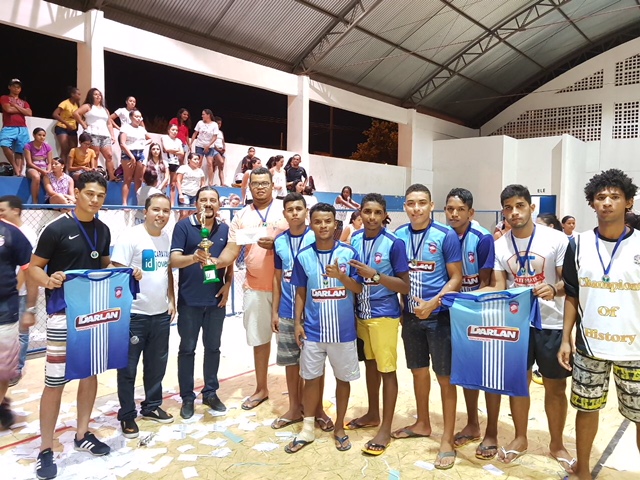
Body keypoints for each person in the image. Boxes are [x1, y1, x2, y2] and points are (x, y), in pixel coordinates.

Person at [28, 172, 115, 479]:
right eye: (89, 193)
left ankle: (81, 434)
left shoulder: (103, 230)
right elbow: (34, 268)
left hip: (93, 314)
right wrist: (48, 279)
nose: (95, 200)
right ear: (77, 193)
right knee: (55, 381)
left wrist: (126, 271)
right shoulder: (56, 228)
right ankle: (46, 449)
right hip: (62, 314)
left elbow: (103, 264)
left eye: (100, 196)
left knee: (90, 374)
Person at [558, 169, 640, 480]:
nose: (606, 202)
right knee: (586, 409)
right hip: (590, 344)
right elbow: (572, 295)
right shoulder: (577, 245)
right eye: (600, 197)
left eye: (614, 197)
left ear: (628, 202)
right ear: (592, 203)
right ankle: (583, 471)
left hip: (636, 347)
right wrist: (566, 338)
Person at [489, 184, 573, 472]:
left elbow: (568, 284)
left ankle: (557, 443)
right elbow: (500, 287)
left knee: (555, 387)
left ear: (531, 208)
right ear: (504, 211)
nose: (514, 212)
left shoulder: (556, 239)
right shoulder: (499, 245)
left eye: (520, 205)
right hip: (516, 324)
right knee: (517, 386)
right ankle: (520, 438)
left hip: (551, 323)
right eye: (509, 207)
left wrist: (553, 288)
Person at [392, 184, 462, 469]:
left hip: (439, 317)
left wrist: (433, 303)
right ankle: (422, 422)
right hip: (410, 317)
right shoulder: (398, 236)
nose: (416, 208)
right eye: (411, 203)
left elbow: (456, 277)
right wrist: (401, 306)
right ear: (405, 207)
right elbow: (397, 276)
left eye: (422, 203)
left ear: (431, 205)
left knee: (444, 378)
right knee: (418, 373)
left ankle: (447, 438)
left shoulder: (445, 235)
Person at [284, 203, 363, 453]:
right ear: (311, 223)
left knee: (343, 379)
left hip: (343, 332)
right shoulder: (304, 256)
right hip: (314, 331)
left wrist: (342, 278)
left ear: (335, 223)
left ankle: (339, 427)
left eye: (328, 221)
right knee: (311, 379)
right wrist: (297, 322)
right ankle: (307, 428)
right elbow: (300, 291)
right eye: (318, 222)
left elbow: (359, 288)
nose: (323, 226)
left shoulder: (349, 253)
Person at [213, 167, 288, 411]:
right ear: (249, 186)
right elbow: (232, 250)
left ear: (272, 185)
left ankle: (299, 394)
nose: (260, 187)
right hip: (255, 287)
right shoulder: (242, 216)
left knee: (293, 342)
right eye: (255, 183)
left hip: (286, 288)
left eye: (264, 183)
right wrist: (218, 261)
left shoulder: (286, 209)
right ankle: (261, 388)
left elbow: (301, 239)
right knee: (259, 340)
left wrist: (277, 242)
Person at [346, 193, 410, 456]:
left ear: (385, 215)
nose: (371, 217)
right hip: (361, 313)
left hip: (384, 314)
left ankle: (385, 427)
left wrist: (376, 275)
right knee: (371, 366)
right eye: (367, 212)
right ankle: (373, 413)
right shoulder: (354, 240)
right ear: (359, 213)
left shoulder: (394, 243)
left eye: (377, 213)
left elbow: (404, 285)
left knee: (387, 370)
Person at [111, 193, 175, 438]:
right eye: (156, 210)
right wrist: (130, 271)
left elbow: (166, 271)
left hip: (160, 314)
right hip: (134, 314)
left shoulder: (166, 238)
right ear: (146, 211)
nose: (160, 215)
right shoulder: (131, 236)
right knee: (127, 368)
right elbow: (115, 269)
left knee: (157, 365)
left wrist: (171, 299)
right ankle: (127, 415)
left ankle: (151, 406)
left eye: (165, 211)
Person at [442, 188, 497, 457]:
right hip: (454, 312)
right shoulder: (443, 235)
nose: (454, 214)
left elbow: (486, 282)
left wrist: (473, 310)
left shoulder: (482, 238)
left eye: (460, 209)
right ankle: (473, 423)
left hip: (478, 311)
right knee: (463, 371)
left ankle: (491, 431)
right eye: (450, 209)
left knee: (485, 372)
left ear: (470, 212)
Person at [170, 187, 233, 418]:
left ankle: (210, 392)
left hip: (215, 300)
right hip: (190, 300)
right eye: (203, 200)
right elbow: (174, 260)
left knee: (213, 348)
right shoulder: (184, 226)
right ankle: (187, 397)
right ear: (196, 203)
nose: (208, 203)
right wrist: (194, 257)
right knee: (187, 349)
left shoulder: (225, 229)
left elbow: (230, 260)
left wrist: (227, 283)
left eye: (213, 200)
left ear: (219, 204)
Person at [271, 193, 315, 428]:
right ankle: (294, 408)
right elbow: (277, 279)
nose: (295, 213)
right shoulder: (279, 241)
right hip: (288, 310)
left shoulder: (315, 236)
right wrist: (275, 312)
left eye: (299, 208)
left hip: (314, 312)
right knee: (291, 362)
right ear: (285, 214)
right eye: (290, 209)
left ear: (306, 211)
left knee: (314, 363)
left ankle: (314, 408)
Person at [0, 209, 36, 429]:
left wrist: (30, 308)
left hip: (5, 312)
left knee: (2, 369)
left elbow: (31, 270)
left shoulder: (12, 234)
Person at [73, 88, 117, 181]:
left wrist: (112, 135)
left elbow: (109, 123)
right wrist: (83, 124)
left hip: (105, 135)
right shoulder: (88, 106)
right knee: (95, 155)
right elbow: (76, 113)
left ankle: (112, 176)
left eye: (99, 94)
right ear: (91, 96)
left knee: (109, 155)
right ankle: (95, 175)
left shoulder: (105, 110)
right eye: (95, 94)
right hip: (92, 133)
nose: (98, 96)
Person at [0, 79, 32, 176]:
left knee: (20, 150)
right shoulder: (5, 98)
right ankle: (14, 166)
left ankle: (18, 172)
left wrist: (16, 106)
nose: (16, 88)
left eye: (18, 87)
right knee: (4, 144)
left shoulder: (23, 102)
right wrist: (22, 110)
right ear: (9, 87)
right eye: (14, 86)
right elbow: (8, 109)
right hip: (9, 126)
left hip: (22, 128)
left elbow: (29, 113)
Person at [119, 110, 151, 206]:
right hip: (129, 153)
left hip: (140, 153)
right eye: (136, 116)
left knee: (139, 179)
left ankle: (139, 203)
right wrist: (131, 156)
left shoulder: (142, 129)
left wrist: (143, 143)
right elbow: (122, 143)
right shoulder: (126, 127)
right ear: (131, 117)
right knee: (128, 178)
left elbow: (150, 138)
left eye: (140, 117)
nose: (138, 118)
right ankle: (124, 203)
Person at [24, 128, 54, 204]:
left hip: (44, 169)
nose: (42, 137)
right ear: (34, 135)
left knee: (51, 176)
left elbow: (50, 162)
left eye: (44, 135)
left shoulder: (48, 147)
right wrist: (41, 171)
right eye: (39, 135)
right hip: (32, 168)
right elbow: (29, 163)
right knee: (36, 177)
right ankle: (35, 202)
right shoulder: (28, 146)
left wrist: (48, 171)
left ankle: (52, 201)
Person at [52, 86, 81, 163]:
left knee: (73, 150)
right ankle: (62, 170)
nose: (80, 96)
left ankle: (69, 170)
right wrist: (67, 124)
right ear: (72, 94)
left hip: (72, 129)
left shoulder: (76, 105)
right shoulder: (65, 103)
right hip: (62, 127)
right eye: (78, 94)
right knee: (65, 149)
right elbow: (55, 114)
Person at [191, 109, 219, 186]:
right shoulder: (200, 123)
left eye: (203, 114)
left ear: (208, 115)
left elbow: (215, 136)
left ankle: (210, 182)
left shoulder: (214, 125)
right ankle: (197, 181)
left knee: (210, 163)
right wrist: (191, 143)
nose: (202, 116)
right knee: (198, 163)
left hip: (209, 146)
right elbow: (195, 133)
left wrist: (208, 145)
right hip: (199, 145)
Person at [161, 124, 185, 207]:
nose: (175, 132)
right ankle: (162, 202)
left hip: (175, 162)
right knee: (164, 182)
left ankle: (172, 204)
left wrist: (172, 150)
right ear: (168, 130)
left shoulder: (178, 141)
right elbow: (166, 149)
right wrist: (175, 150)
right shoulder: (164, 137)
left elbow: (181, 153)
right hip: (166, 162)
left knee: (173, 184)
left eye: (176, 130)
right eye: (173, 130)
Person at [213, 116, 227, 186]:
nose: (219, 125)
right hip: (215, 150)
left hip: (222, 150)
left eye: (220, 124)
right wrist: (217, 149)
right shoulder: (212, 131)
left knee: (221, 167)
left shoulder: (221, 132)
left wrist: (224, 149)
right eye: (218, 123)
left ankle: (222, 183)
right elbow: (211, 142)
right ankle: (211, 183)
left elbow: (223, 142)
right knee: (214, 166)